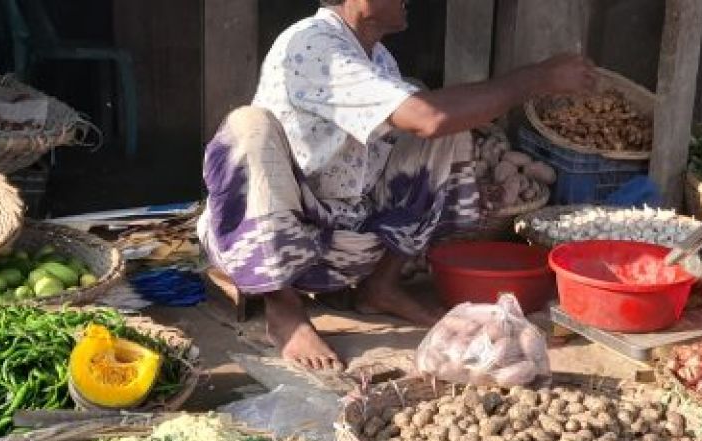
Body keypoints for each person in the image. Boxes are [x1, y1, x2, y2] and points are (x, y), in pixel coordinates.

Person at [198, 0, 597, 370]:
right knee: (250, 126)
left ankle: (381, 287)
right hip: (278, 245)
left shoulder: (379, 59)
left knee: (443, 126)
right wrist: (535, 78)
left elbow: (427, 125)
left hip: (342, 248)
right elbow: (426, 116)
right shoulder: (311, 43)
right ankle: (283, 310)